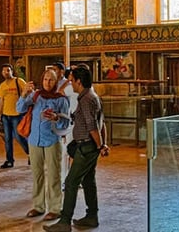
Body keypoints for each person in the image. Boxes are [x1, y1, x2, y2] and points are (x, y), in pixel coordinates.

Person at [45, 64, 108, 232]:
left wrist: (100, 145)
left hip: (86, 147)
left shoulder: (87, 99)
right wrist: (102, 144)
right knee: (88, 181)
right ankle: (91, 216)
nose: (70, 83)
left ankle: (64, 222)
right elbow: (102, 123)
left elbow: (93, 126)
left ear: (79, 81)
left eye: (72, 81)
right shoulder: (91, 96)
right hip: (89, 146)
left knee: (71, 182)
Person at [18, 67, 71, 222]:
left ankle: (55, 208)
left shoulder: (61, 99)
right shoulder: (36, 96)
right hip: (34, 140)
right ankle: (38, 206)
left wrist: (56, 118)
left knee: (54, 175)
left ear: (56, 81)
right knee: (37, 175)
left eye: (51, 80)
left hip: (52, 141)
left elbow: (66, 123)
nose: (48, 83)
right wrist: (23, 94)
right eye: (45, 79)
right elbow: (19, 109)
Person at [0, 63, 29, 168]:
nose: (6, 72)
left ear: (12, 71)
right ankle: (9, 160)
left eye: (8, 70)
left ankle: (30, 154)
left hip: (17, 115)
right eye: (4, 71)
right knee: (8, 139)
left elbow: (27, 93)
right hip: (6, 116)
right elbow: (1, 101)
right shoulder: (2, 85)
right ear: (2, 73)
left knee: (19, 137)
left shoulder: (19, 81)